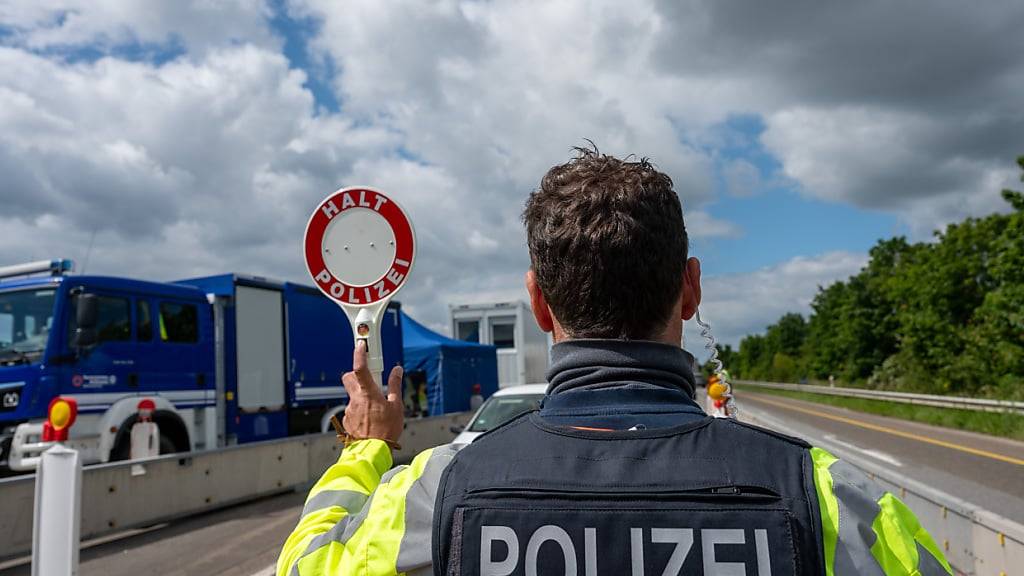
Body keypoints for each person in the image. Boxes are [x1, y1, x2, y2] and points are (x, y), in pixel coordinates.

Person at [277, 148, 951, 575]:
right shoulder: (825, 497)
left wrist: (363, 451)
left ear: (538, 305)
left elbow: (305, 564)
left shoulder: (443, 492)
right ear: (689, 289)